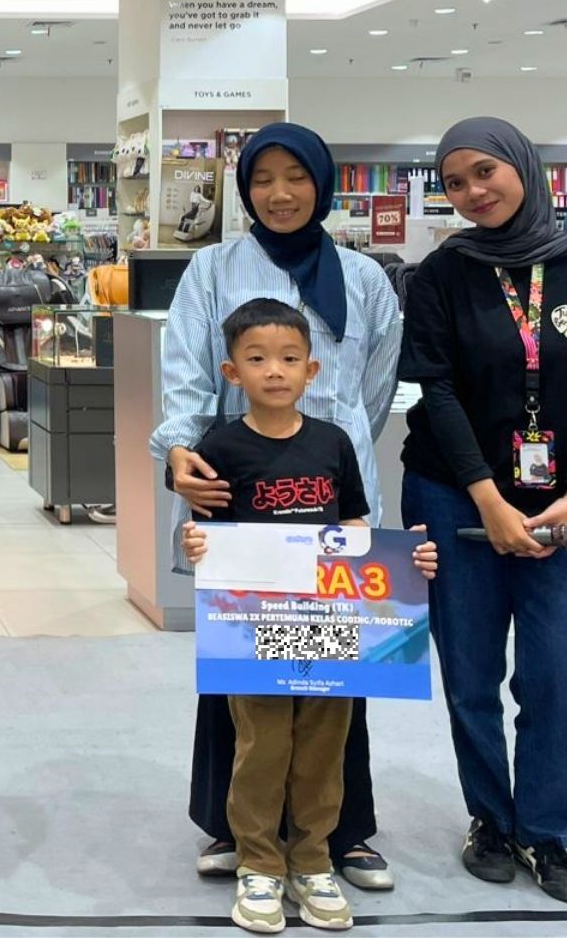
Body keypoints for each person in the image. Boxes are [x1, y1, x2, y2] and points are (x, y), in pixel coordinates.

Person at [398, 116, 567, 906]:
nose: (474, 193)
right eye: (455, 183)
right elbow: (434, 391)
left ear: (522, 167)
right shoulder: (442, 274)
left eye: (485, 173)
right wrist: (486, 497)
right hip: (453, 493)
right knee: (469, 671)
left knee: (555, 675)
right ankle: (492, 821)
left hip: (561, 507)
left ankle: (548, 834)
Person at [149, 123, 405, 890]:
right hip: (242, 496)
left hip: (335, 494)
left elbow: (375, 386)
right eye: (264, 179)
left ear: (323, 183)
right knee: (244, 660)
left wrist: (329, 444)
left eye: (297, 177)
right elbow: (190, 374)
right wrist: (179, 455)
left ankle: (344, 832)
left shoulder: (364, 278)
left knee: (339, 662)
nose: (281, 194)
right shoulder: (211, 268)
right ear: (244, 188)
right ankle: (237, 827)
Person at [180, 299, 438, 935]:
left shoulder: (333, 442)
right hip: (252, 628)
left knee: (325, 745)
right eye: (258, 359)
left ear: (313, 370)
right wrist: (195, 544)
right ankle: (259, 864)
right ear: (231, 371)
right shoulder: (221, 444)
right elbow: (209, 529)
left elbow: (353, 523)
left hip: (331, 623)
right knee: (261, 744)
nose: (275, 371)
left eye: (290, 359)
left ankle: (313, 859)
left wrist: (402, 560)